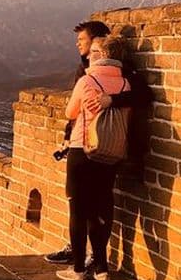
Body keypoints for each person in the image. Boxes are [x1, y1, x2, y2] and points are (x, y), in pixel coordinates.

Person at [45, 21, 152, 265]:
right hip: (85, 140)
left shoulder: (121, 70)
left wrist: (111, 100)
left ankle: (89, 260)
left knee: (93, 203)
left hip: (106, 144)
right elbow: (78, 110)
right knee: (92, 203)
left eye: (82, 40)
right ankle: (88, 257)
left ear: (97, 43)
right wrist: (66, 136)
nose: (78, 44)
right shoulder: (83, 68)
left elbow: (145, 95)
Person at [55, 36, 130, 280]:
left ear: (101, 54)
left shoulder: (88, 80)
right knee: (102, 208)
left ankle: (78, 270)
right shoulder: (126, 84)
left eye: (93, 51)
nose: (88, 54)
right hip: (111, 152)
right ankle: (102, 270)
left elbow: (70, 113)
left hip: (82, 149)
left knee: (78, 210)